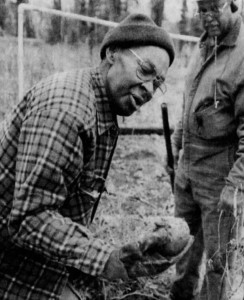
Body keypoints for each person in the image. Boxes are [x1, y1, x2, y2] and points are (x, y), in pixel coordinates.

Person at [0, 13, 182, 300]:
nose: (149, 89)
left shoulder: (104, 109)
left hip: (35, 257)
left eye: (157, 82)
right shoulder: (68, 111)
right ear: (112, 53)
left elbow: (67, 207)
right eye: (145, 70)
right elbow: (29, 219)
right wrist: (104, 259)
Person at [168, 0, 244, 299]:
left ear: (233, 4)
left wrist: (237, 184)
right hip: (189, 170)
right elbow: (190, 104)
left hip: (220, 179)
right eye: (202, 9)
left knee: (218, 264)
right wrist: (175, 148)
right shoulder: (204, 46)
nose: (207, 16)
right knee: (182, 249)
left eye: (214, 7)